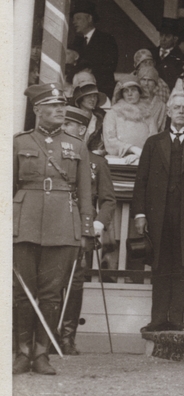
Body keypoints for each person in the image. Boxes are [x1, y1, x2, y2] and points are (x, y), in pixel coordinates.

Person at [13, 84, 96, 375]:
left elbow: (85, 192)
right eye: (52, 105)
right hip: (24, 224)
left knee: (51, 294)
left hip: (63, 225)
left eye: (62, 104)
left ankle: (41, 353)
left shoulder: (77, 145)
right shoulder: (19, 143)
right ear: (37, 110)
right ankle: (21, 352)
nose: (60, 109)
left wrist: (86, 230)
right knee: (23, 292)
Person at [129, 94, 184, 332]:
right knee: (159, 265)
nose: (180, 112)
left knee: (183, 266)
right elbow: (142, 181)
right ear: (168, 112)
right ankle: (158, 319)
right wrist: (140, 214)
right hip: (159, 215)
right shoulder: (153, 143)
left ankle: (176, 319)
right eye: (176, 108)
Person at [57, 105, 117, 355]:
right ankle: (48, 334)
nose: (62, 128)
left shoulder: (96, 162)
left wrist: (98, 224)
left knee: (75, 283)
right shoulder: (54, 155)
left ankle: (67, 337)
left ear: (81, 129)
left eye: (67, 125)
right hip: (54, 226)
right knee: (51, 282)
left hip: (82, 230)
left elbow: (108, 200)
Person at [68, 0, 119, 98]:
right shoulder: (77, 42)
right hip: (80, 93)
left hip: (101, 91)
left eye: (78, 18)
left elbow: (110, 65)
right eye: (73, 19)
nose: (74, 22)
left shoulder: (106, 39)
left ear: (90, 18)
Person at [103, 79, 158, 163]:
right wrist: (132, 148)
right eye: (126, 91)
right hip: (118, 162)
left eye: (133, 90)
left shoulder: (147, 114)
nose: (129, 94)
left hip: (144, 160)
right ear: (122, 94)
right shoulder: (113, 113)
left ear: (140, 93)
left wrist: (139, 155)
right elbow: (110, 141)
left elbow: (154, 140)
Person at [71, 78, 108, 155]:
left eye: (95, 96)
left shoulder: (101, 119)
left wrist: (101, 151)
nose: (92, 99)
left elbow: (106, 143)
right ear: (80, 99)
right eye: (88, 96)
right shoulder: (71, 118)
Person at [155, 19, 184, 88]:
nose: (163, 39)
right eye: (161, 35)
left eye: (168, 36)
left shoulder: (180, 57)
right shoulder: (152, 53)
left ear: (175, 39)